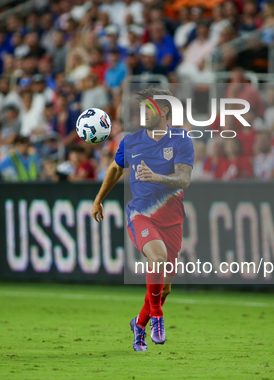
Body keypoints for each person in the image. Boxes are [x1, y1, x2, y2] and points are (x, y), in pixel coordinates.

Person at [91, 87, 193, 352]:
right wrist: (99, 198)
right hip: (141, 215)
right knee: (157, 259)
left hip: (172, 219)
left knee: (165, 288)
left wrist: (157, 177)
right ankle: (157, 318)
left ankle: (139, 323)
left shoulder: (181, 140)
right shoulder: (131, 140)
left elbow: (184, 179)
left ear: (165, 111)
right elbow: (115, 168)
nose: (144, 113)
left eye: (149, 108)